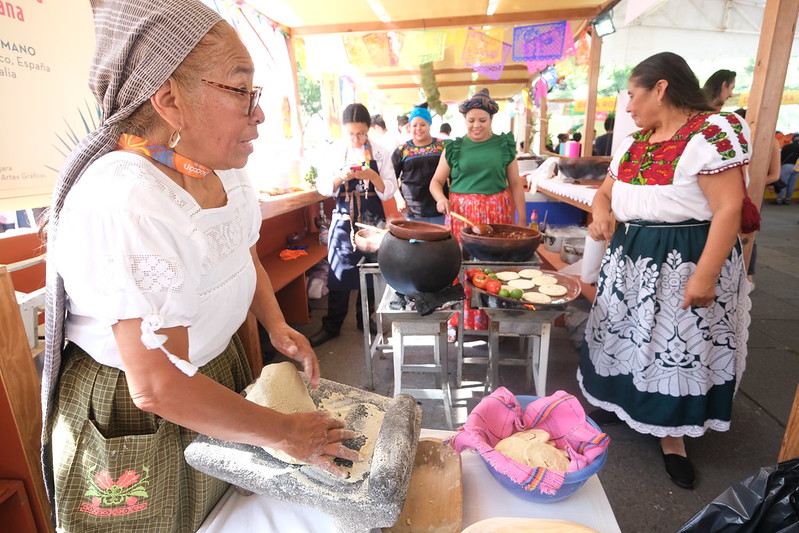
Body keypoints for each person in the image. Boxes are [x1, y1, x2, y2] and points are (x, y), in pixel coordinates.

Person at [41, 2, 359, 531]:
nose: (258, 113)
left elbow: (242, 251)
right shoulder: (128, 197)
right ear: (169, 101)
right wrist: (284, 432)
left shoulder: (221, 167)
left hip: (212, 375)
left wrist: (274, 323)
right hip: (144, 405)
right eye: (241, 91)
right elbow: (159, 386)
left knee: (225, 513)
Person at [579, 52, 752, 490]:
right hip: (631, 259)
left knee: (672, 345)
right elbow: (604, 194)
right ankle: (619, 404)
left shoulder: (712, 133)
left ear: (661, 88)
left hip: (683, 260)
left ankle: (672, 437)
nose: (629, 108)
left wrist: (706, 275)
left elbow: (728, 207)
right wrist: (601, 213)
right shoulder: (637, 142)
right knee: (627, 335)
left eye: (633, 96)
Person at [429, 88, 525, 333]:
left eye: (482, 120)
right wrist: (441, 199)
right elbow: (435, 182)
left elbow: (515, 184)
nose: (476, 125)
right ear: (464, 121)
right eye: (471, 120)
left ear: (491, 119)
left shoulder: (504, 145)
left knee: (493, 269)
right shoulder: (454, 147)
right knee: (459, 266)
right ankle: (457, 322)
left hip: (497, 214)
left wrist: (521, 222)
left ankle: (492, 324)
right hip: (462, 214)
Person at [310, 104, 397, 347]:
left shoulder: (380, 152)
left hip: (372, 219)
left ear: (369, 130)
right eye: (351, 134)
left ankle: (364, 319)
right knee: (338, 273)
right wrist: (340, 177)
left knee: (369, 272)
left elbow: (389, 188)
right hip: (343, 220)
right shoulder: (334, 151)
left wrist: (373, 177)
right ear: (343, 130)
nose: (357, 139)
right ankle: (332, 325)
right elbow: (323, 187)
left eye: (361, 133)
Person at [392, 104, 447, 225]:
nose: (418, 128)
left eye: (423, 124)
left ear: (429, 125)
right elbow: (391, 177)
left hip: (439, 207)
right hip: (412, 209)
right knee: (416, 243)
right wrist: (398, 199)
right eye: (414, 125)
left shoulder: (442, 146)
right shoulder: (402, 149)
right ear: (409, 127)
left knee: (440, 242)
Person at [777, 133, 799, 204]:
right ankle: (788, 199)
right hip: (797, 167)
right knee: (791, 184)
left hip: (786, 166)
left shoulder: (787, 147)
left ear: (792, 139)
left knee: (783, 183)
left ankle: (779, 199)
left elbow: (781, 157)